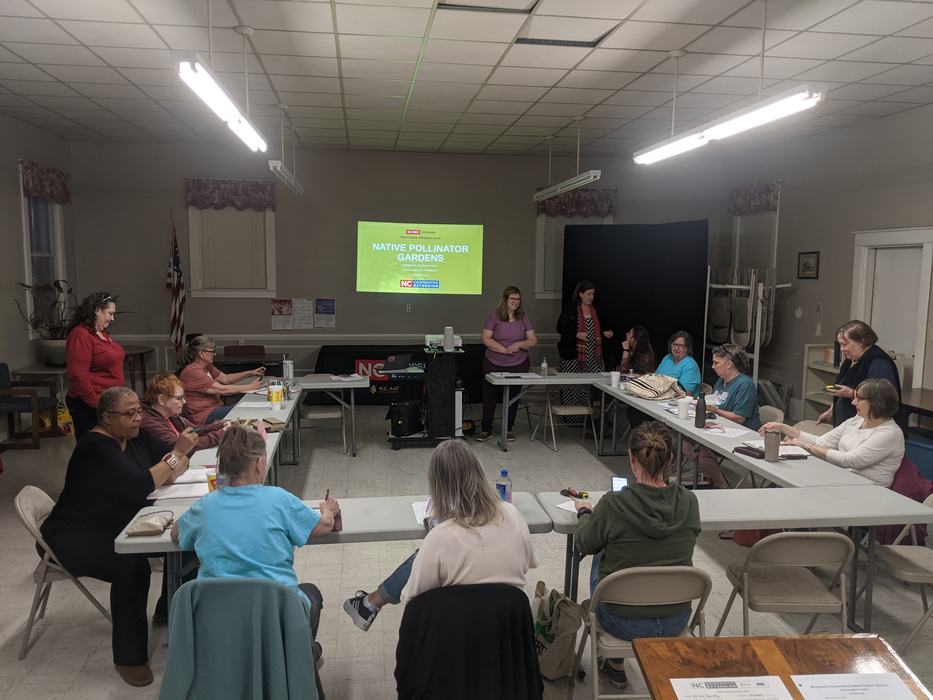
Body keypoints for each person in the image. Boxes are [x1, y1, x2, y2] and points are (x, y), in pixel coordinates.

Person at [40, 386, 198, 687]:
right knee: (131, 565)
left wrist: (170, 463)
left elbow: (170, 471)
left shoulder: (135, 437)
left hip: (116, 520)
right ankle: (129, 658)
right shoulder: (96, 446)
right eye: (129, 413)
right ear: (106, 417)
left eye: (139, 410)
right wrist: (175, 456)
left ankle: (168, 611)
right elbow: (143, 485)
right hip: (73, 534)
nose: (138, 418)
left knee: (186, 543)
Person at [171, 425, 340, 660]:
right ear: (259, 464)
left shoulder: (205, 505)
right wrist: (328, 511)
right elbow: (323, 528)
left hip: (218, 616)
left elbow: (177, 534)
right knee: (310, 594)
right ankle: (296, 657)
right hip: (275, 613)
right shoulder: (279, 499)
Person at [342, 439, 537, 631]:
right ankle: (369, 603)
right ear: (479, 472)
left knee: (426, 562)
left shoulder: (440, 537)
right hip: (511, 635)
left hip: (459, 638)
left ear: (438, 486)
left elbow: (411, 598)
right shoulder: (513, 514)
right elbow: (529, 562)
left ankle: (369, 604)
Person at [573, 422, 700, 689]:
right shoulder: (689, 502)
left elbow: (583, 542)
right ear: (671, 459)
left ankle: (615, 665)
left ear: (631, 458)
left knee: (603, 549)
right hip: (676, 616)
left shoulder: (613, 504)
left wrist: (587, 513)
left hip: (621, 620)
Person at [762, 378, 904, 488]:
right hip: (841, 480)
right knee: (782, 483)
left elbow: (850, 460)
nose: (854, 402)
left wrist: (806, 446)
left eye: (859, 398)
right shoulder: (857, 420)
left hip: (866, 491)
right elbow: (822, 442)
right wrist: (783, 427)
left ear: (877, 403)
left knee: (793, 488)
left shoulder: (890, 434)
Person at [690, 344, 761, 488]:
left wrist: (715, 410)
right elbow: (715, 402)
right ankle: (710, 477)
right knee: (686, 443)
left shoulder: (745, 385)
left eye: (717, 363)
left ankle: (722, 484)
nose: (713, 366)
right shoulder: (721, 381)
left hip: (743, 435)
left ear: (729, 364)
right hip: (722, 428)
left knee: (698, 449)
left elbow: (739, 418)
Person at [476, 286, 538, 442]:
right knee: (490, 397)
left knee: (513, 397)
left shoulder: (523, 318)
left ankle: (508, 429)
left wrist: (519, 344)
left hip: (518, 363)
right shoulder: (494, 317)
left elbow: (532, 340)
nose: (516, 302)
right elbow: (486, 339)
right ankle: (486, 430)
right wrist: (504, 350)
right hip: (494, 362)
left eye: (518, 299)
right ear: (505, 300)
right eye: (513, 299)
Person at [66, 292, 125, 440]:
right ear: (97, 310)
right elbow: (77, 376)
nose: (113, 318)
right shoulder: (80, 335)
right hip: (88, 405)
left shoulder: (101, 333)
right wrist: (96, 403)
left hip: (108, 401)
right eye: (110, 313)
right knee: (92, 449)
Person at [821, 320, 902, 428]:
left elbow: (885, 399)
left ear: (862, 341)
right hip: (848, 427)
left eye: (845, 344)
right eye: (840, 345)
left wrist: (852, 394)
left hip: (868, 430)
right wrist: (832, 410)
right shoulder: (849, 361)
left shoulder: (879, 363)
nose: (842, 349)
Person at [556, 281, 614, 416]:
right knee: (574, 387)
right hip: (573, 356)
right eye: (588, 294)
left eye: (593, 294)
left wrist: (606, 333)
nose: (591, 297)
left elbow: (601, 330)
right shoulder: (570, 309)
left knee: (595, 386)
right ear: (580, 294)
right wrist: (576, 334)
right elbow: (560, 328)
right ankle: (573, 418)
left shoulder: (596, 310)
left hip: (594, 356)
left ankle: (592, 418)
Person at [178, 335, 264, 424]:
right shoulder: (193, 372)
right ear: (201, 353)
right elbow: (222, 389)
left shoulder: (207, 367)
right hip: (204, 415)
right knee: (247, 411)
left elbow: (226, 379)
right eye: (212, 351)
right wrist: (250, 387)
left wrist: (250, 373)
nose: (214, 354)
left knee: (247, 408)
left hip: (215, 408)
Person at [140, 373, 229, 455]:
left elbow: (194, 430)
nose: (184, 402)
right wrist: (222, 433)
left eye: (183, 397)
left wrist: (218, 426)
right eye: (179, 398)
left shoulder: (169, 415)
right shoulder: (151, 423)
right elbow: (184, 446)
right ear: (161, 400)